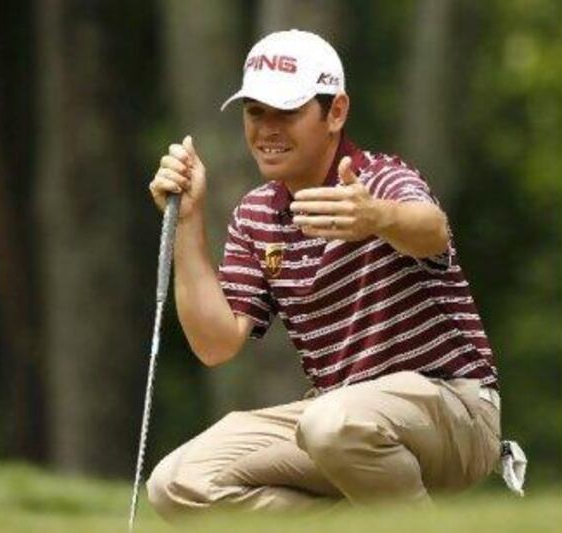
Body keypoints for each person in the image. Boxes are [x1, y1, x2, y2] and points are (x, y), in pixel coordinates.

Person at [145, 29, 519, 520]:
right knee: (177, 484)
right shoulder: (255, 215)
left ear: (335, 112)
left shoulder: (380, 180)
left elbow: (432, 230)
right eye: (256, 112)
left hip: (454, 410)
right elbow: (216, 344)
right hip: (341, 420)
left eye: (288, 112)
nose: (268, 129)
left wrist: (377, 218)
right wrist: (189, 222)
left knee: (331, 423)